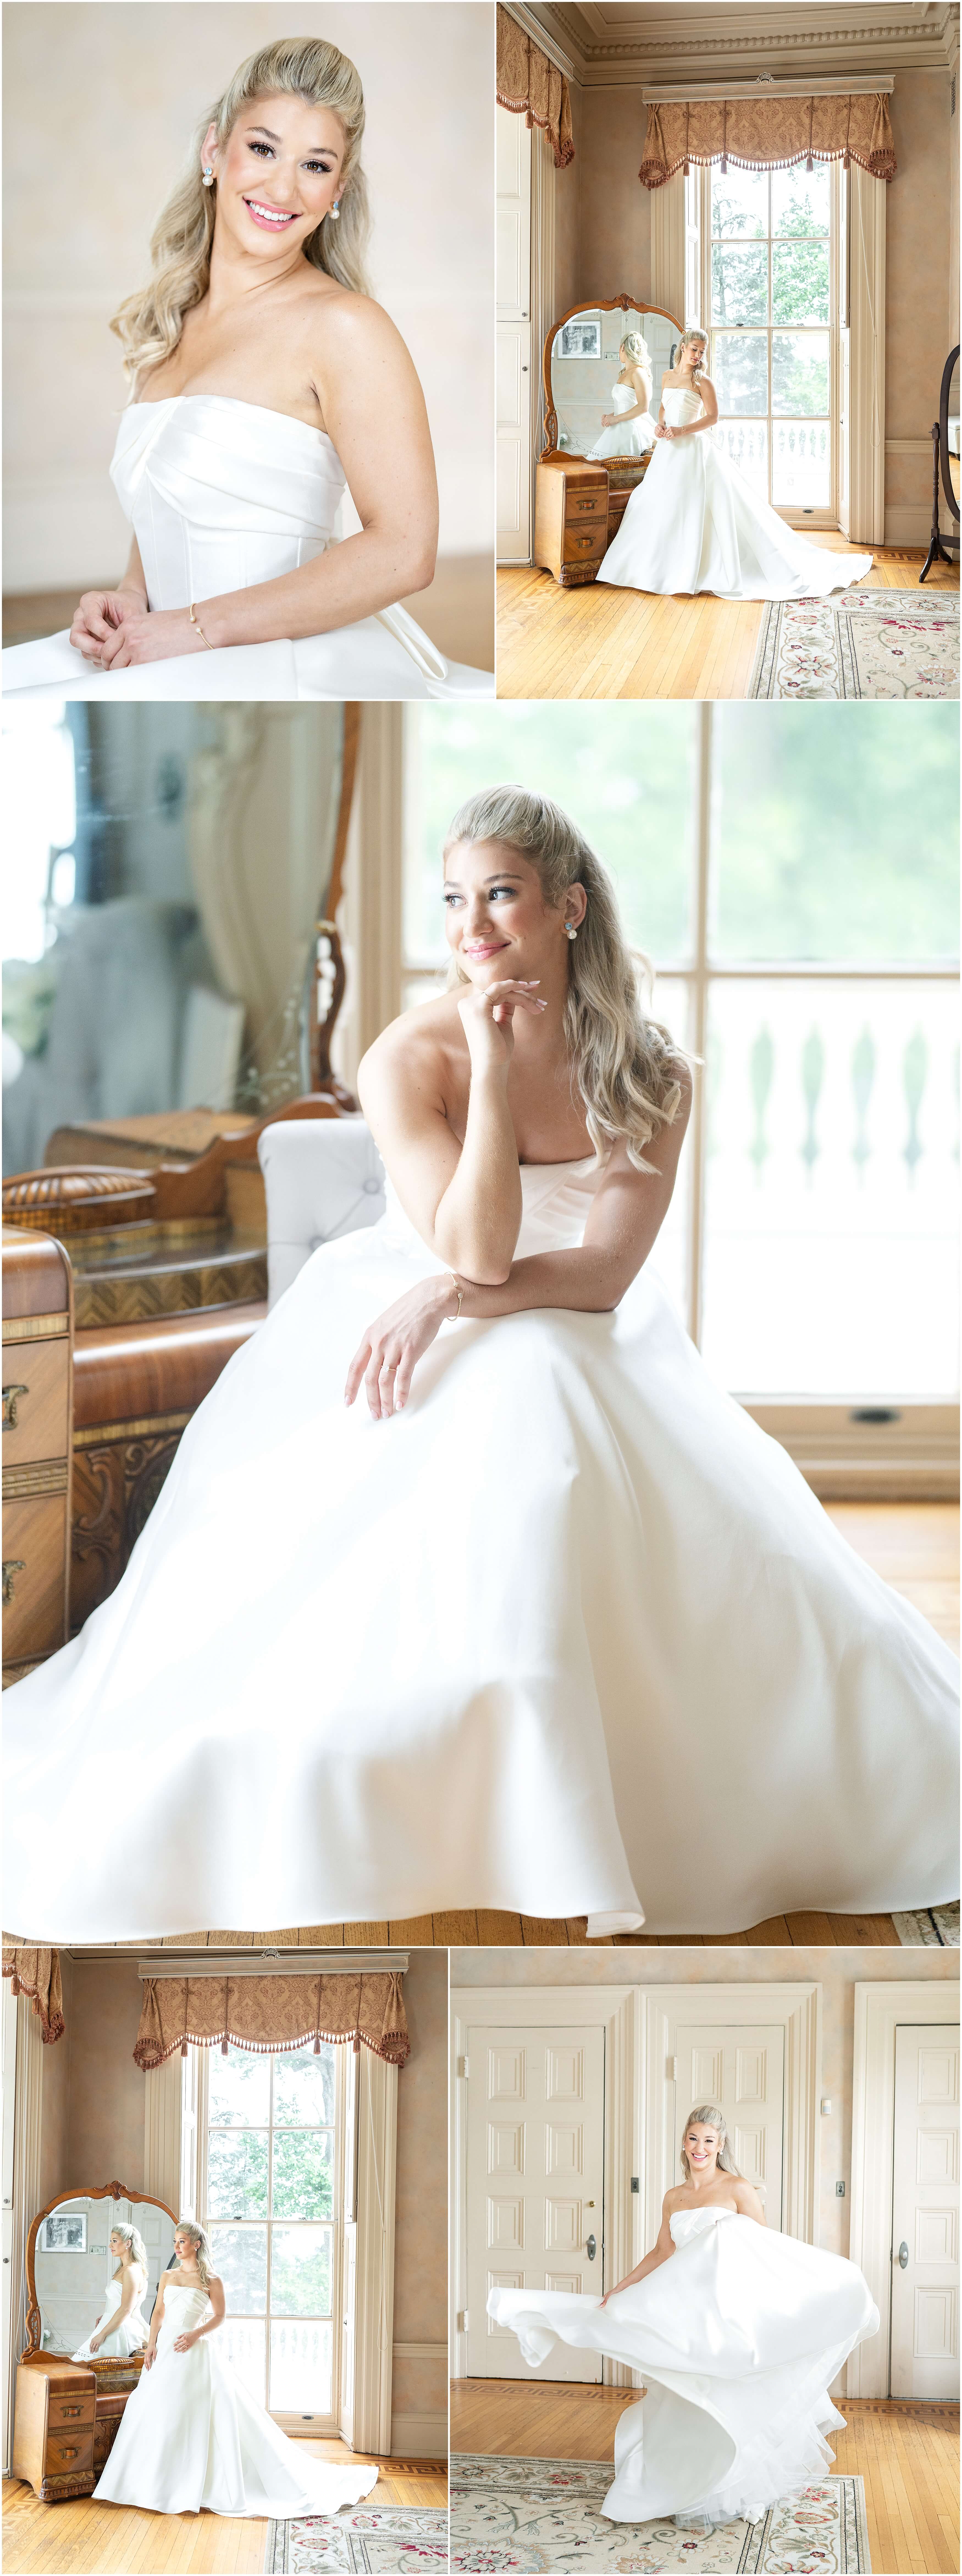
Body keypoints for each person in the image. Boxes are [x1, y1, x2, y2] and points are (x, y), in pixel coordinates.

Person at [2, 788, 957, 1944]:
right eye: (455, 898)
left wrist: (449, 1298)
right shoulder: (409, 1054)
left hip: (556, 1316)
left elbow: (600, 1271)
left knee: (551, 1377)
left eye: (501, 894)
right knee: (518, 1386)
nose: (472, 926)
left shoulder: (653, 1067)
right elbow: (475, 1241)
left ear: (569, 906)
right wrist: (493, 1075)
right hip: (405, 1297)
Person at [2, 38, 490, 704]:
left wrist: (196, 630)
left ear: (338, 190)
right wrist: (130, 597)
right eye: (263, 149)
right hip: (162, 648)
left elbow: (405, 551)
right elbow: (172, 505)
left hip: (268, 663)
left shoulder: (345, 328)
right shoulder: (173, 322)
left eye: (315, 165)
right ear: (215, 149)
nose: (282, 188)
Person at [489, 2104, 880, 2530]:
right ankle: (677, 2483)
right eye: (694, 2138)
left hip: (724, 2312)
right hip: (684, 2312)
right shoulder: (674, 2197)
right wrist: (622, 2287)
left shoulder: (738, 2189)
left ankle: (736, 2488)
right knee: (681, 2395)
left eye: (709, 2140)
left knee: (724, 2394)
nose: (701, 2147)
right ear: (684, 2142)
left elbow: (763, 2251)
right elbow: (663, 2252)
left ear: (721, 2145)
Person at [93, 2220, 379, 2517]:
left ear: (196, 2245)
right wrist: (152, 2344)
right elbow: (159, 2313)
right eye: (175, 2241)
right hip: (165, 2349)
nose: (177, 2247)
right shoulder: (168, 2276)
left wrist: (195, 2334)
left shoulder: (211, 2279)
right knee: (153, 2409)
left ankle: (191, 2483)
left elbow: (220, 2316)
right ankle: (149, 2483)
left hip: (192, 2351)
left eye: (182, 2242)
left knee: (188, 2413)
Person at [596, 326, 873, 601]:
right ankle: (656, 569)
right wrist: (660, 425)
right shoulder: (667, 376)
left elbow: (713, 418)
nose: (697, 356)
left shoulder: (702, 381)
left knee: (694, 507)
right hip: (668, 451)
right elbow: (663, 408)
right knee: (657, 503)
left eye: (702, 352)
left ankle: (696, 569)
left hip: (692, 449)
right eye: (694, 350)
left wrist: (682, 430)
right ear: (683, 347)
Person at [72, 2225, 149, 2361]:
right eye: (111, 2241)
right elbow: (120, 2303)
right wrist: (107, 2315)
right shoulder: (125, 2269)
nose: (110, 2246)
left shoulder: (131, 2271)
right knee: (83, 2363)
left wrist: (102, 2335)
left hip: (121, 2330)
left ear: (128, 2243)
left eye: (114, 2241)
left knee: (87, 2364)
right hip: (112, 2324)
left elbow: (127, 2309)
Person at [587, 333, 658, 460]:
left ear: (623, 347)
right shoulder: (625, 373)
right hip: (619, 427)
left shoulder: (638, 373)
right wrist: (611, 416)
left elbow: (643, 407)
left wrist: (616, 419)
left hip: (631, 431)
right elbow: (627, 404)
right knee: (599, 463)